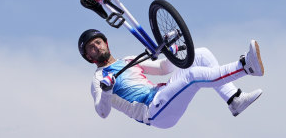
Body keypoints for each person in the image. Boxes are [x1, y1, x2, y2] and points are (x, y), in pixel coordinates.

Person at [79, 29, 264, 128]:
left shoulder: (127, 60)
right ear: (88, 57)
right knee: (193, 76)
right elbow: (102, 112)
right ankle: (245, 67)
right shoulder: (98, 79)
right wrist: (106, 89)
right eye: (91, 47)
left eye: (98, 42)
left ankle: (234, 99)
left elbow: (162, 68)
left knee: (201, 55)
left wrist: (170, 51)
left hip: (162, 95)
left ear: (106, 43)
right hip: (153, 112)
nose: (96, 47)